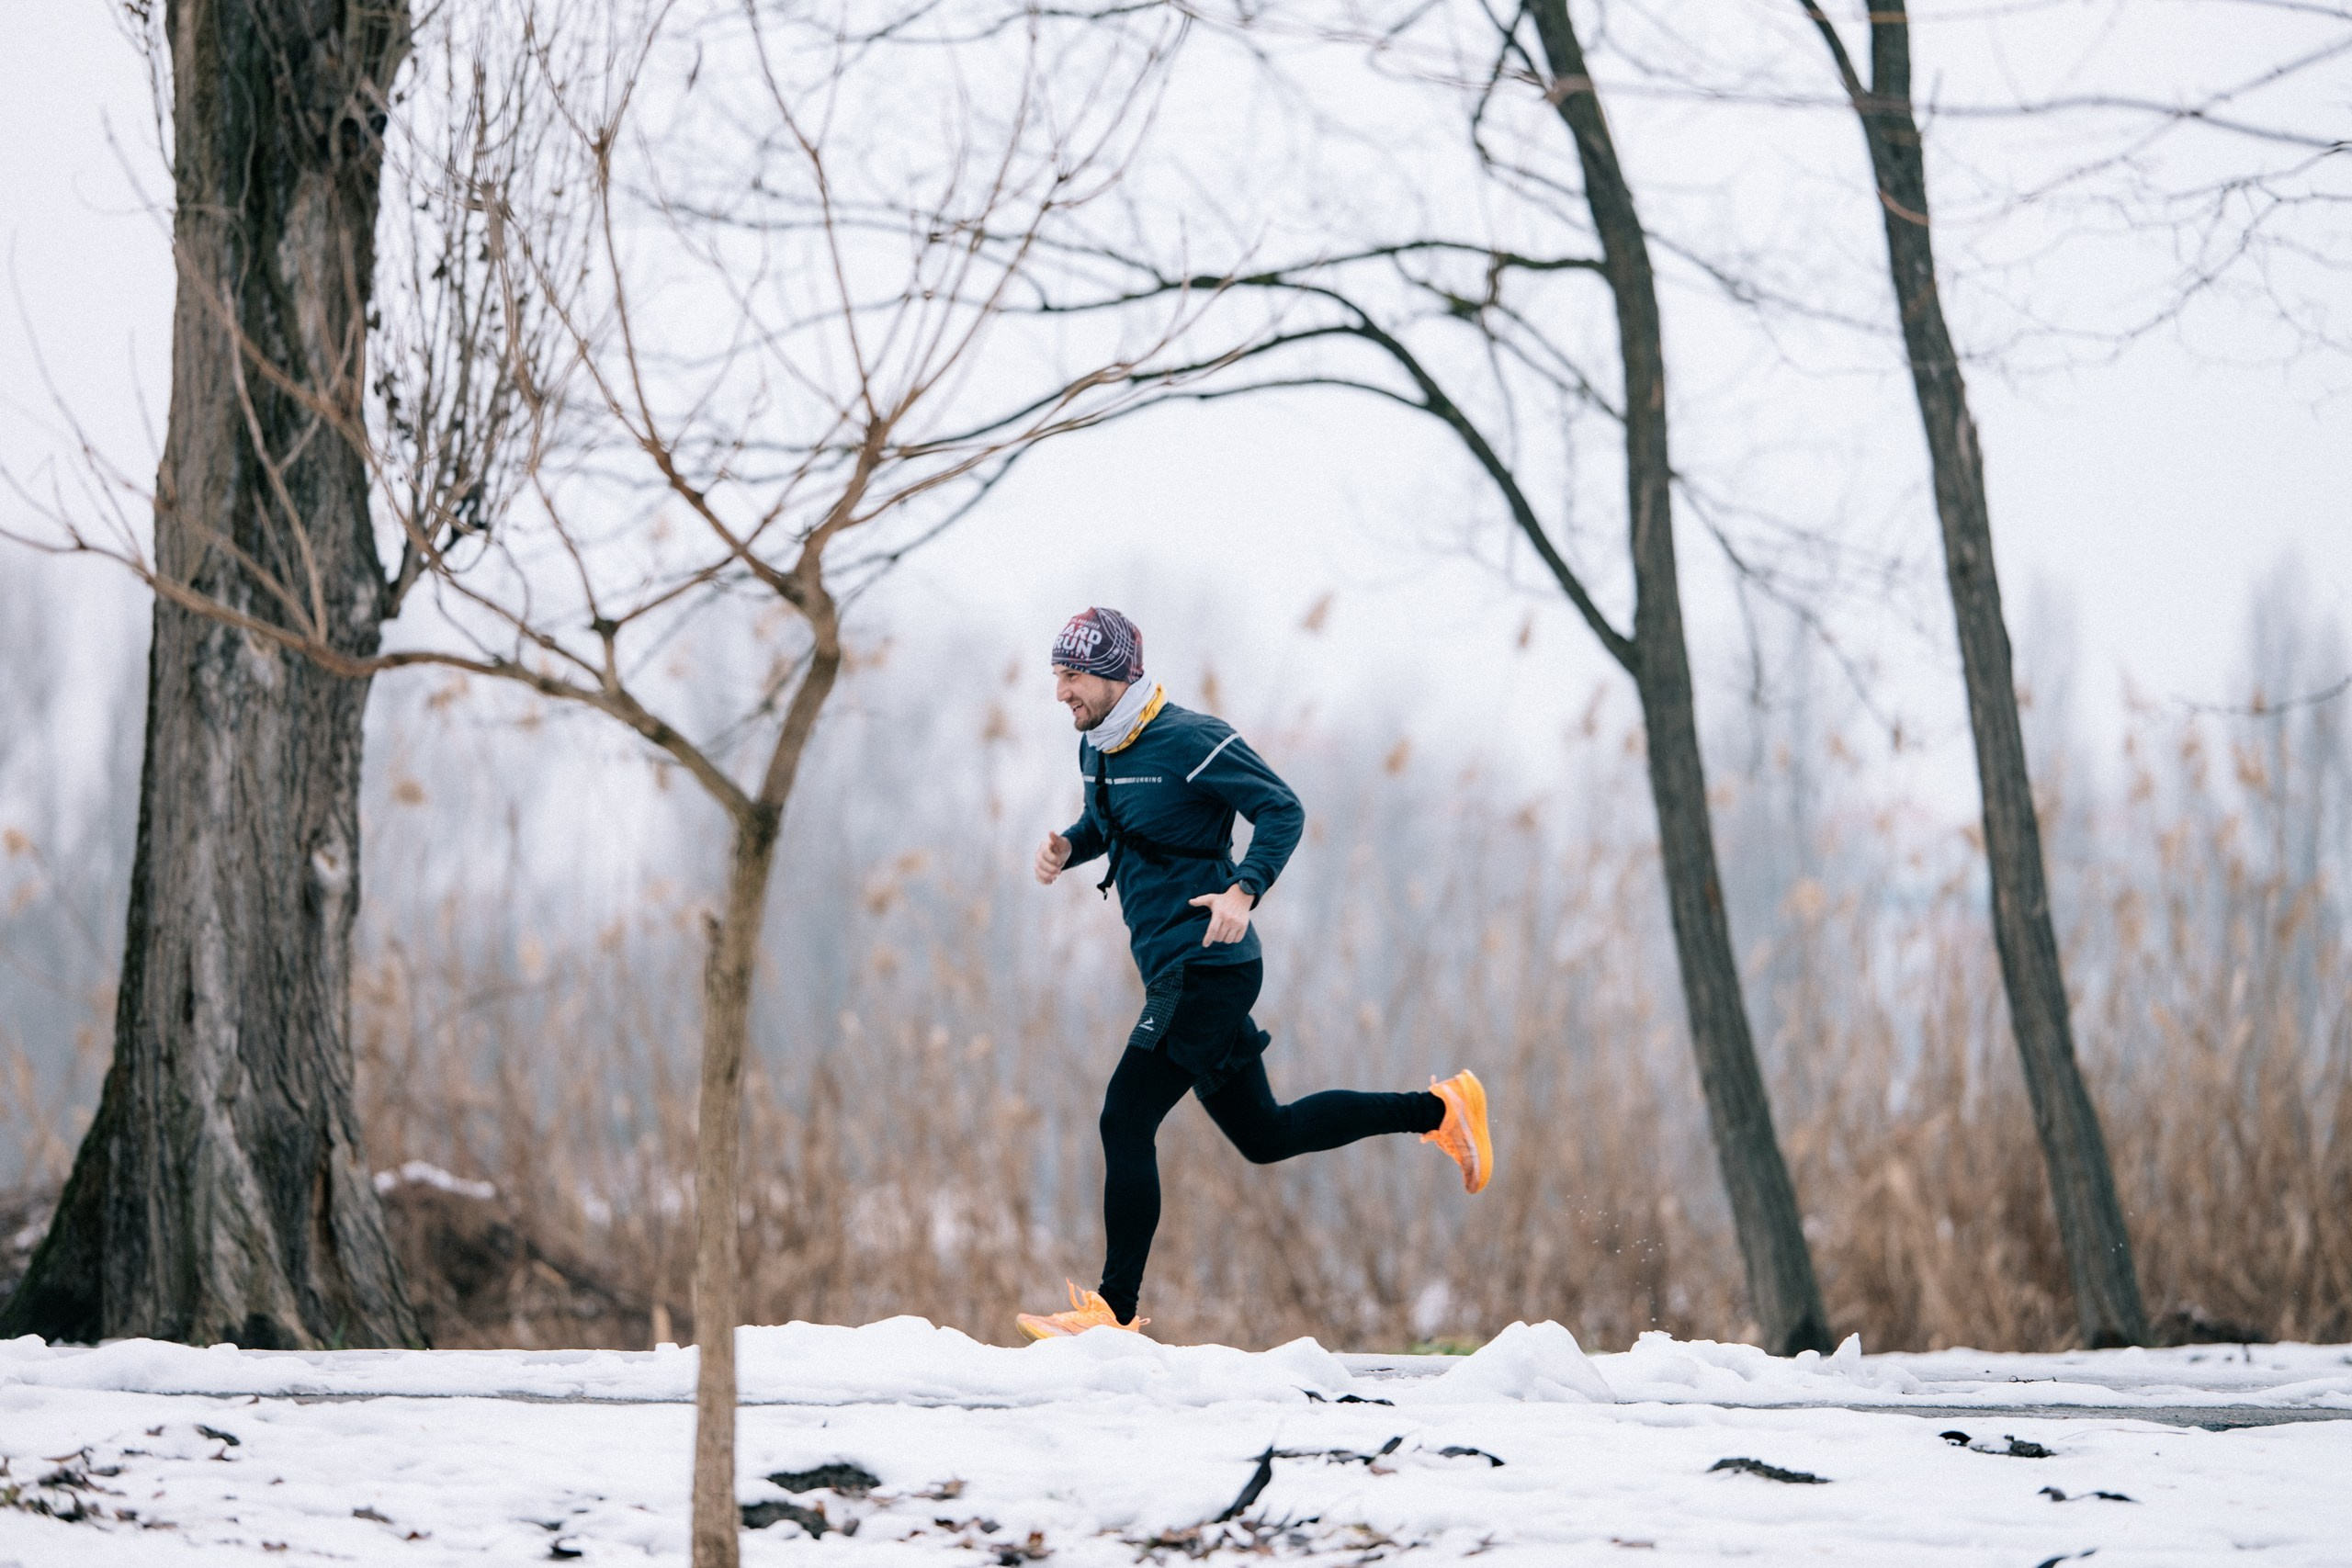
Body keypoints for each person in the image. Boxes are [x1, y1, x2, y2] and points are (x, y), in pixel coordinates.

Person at [1017, 605, 1493, 1340]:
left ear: (1115, 675)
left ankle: (1110, 1313)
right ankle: (1441, 1110)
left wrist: (1245, 889)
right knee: (1266, 1133)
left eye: (1072, 676)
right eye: (1056, 675)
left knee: (1125, 1115)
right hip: (1175, 969)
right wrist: (1067, 848)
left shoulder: (1192, 740)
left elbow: (1282, 809)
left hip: (1207, 965)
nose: (1060, 693)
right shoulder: (1097, 749)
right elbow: (1108, 822)